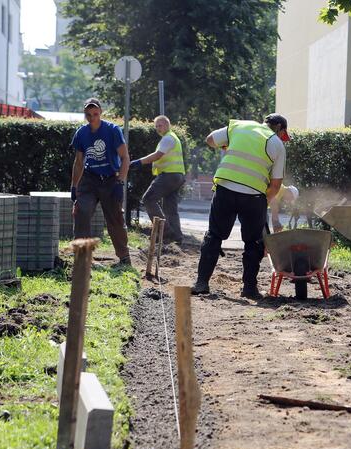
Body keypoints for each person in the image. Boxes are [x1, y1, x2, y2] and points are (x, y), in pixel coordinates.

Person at [191, 114, 290, 299]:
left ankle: (201, 283)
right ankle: (249, 289)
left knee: (214, 235)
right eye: (283, 134)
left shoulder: (240, 126)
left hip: (225, 189)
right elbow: (276, 185)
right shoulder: (277, 144)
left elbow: (210, 140)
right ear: (278, 127)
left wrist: (228, 145)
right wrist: (264, 202)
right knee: (254, 242)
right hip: (253, 197)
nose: (283, 138)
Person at [70, 97, 131, 265]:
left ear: (100, 113)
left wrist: (120, 182)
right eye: (88, 114)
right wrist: (74, 186)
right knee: (82, 211)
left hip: (110, 179)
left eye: (95, 114)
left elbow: (125, 158)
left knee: (115, 219)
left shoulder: (112, 130)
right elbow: (79, 162)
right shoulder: (81, 133)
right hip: (89, 180)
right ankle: (81, 257)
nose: (92, 117)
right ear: (85, 115)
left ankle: (124, 257)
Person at [129, 115, 185, 243]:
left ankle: (164, 232)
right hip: (177, 176)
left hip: (169, 175)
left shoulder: (168, 138)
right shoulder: (172, 138)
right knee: (170, 208)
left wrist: (138, 162)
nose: (158, 128)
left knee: (148, 199)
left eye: (160, 125)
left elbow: (157, 155)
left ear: (167, 125)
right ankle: (177, 237)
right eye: (156, 126)